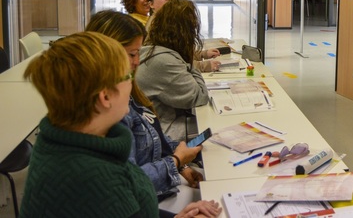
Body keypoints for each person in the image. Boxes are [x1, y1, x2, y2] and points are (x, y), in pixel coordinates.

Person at [20, 31, 222, 217]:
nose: (134, 81)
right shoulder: (95, 179)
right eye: (127, 76)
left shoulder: (71, 140)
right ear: (105, 96)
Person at [85, 10, 206, 212]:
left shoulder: (127, 92)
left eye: (138, 53)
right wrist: (176, 161)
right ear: (106, 53)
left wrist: (182, 166)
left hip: (157, 192)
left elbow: (154, 138)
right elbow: (129, 186)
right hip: (151, 199)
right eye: (132, 54)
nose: (137, 61)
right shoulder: (110, 111)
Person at [136, 0, 210, 141]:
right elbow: (200, 96)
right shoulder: (163, 61)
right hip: (165, 136)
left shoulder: (156, 50)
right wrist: (189, 57)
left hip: (164, 124)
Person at [146, 0, 221, 70]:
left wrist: (202, 54)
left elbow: (179, 53)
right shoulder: (156, 25)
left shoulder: (167, 21)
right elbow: (175, 62)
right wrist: (204, 66)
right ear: (151, 4)